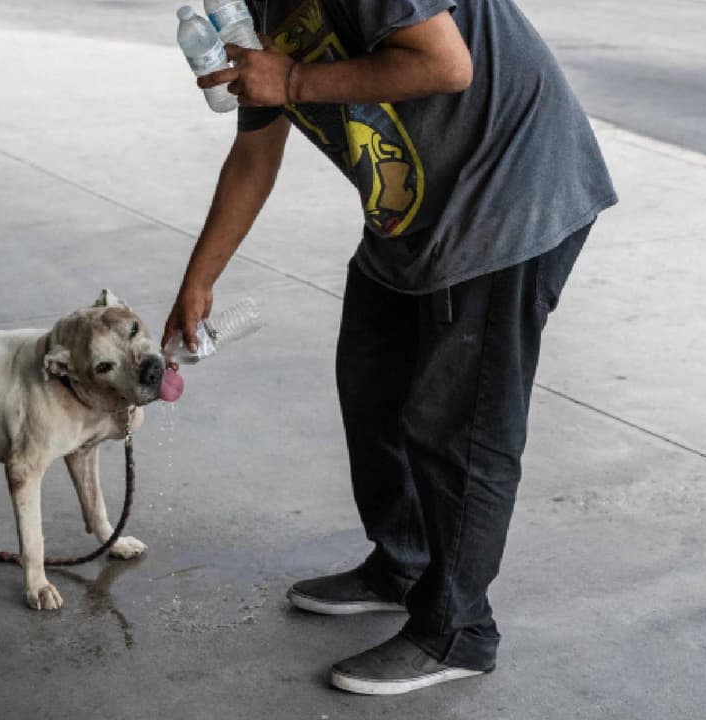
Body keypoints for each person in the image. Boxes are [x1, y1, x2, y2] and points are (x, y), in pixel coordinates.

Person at [161, 0, 617, 695]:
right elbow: (256, 150)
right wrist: (200, 280)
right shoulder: (250, 12)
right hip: (413, 210)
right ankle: (401, 562)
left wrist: (295, 83)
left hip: (510, 191)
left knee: (458, 425)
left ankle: (458, 630)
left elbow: (446, 62)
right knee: (370, 384)